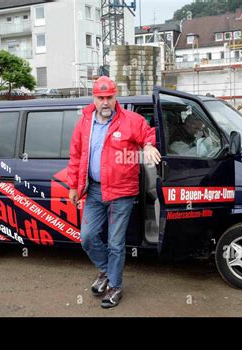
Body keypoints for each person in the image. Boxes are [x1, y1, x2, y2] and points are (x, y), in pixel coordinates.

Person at [67, 76, 161, 308]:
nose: (105, 102)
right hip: (94, 190)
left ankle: (115, 287)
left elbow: (149, 134)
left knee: (116, 243)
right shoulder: (85, 122)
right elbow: (76, 155)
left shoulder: (131, 120)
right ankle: (106, 271)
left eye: (109, 97)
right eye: (101, 98)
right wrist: (72, 185)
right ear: (94, 98)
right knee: (87, 238)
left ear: (115, 96)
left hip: (122, 192)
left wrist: (148, 146)